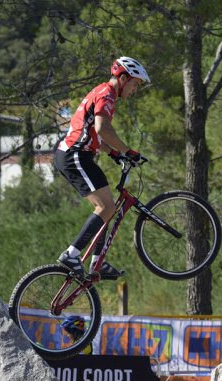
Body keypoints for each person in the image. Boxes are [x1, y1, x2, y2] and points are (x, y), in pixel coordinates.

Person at [54, 56, 150, 279]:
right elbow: (103, 128)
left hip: (79, 155)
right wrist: (128, 151)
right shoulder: (107, 94)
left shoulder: (102, 92)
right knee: (105, 206)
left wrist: (114, 152)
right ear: (123, 78)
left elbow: (96, 135)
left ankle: (97, 261)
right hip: (74, 155)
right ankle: (71, 254)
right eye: (135, 84)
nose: (135, 90)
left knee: (108, 206)